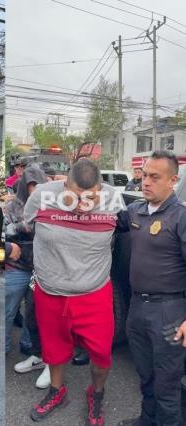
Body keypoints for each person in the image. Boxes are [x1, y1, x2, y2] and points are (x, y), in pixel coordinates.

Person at [23, 159, 123, 424]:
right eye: (74, 197)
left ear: (101, 188)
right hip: (50, 291)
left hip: (94, 293)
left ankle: (96, 394)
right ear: (63, 184)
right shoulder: (43, 196)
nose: (81, 206)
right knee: (54, 350)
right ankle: (57, 392)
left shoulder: (115, 201)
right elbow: (25, 227)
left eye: (89, 198)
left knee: (102, 355)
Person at [117, 151, 186, 426]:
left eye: (154, 177)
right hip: (137, 308)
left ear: (173, 181)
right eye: (144, 175)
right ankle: (147, 420)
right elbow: (108, 221)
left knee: (167, 387)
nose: (146, 182)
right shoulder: (136, 211)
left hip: (169, 313)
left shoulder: (180, 218)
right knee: (145, 376)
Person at [3, 165, 47, 354]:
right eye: (32, 185)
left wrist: (21, 227)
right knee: (8, 312)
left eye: (39, 184)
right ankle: (2, 346)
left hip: (41, 270)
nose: (35, 189)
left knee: (34, 313)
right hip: (16, 268)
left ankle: (29, 345)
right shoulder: (12, 206)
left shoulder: (51, 206)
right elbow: (2, 232)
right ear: (25, 186)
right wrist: (10, 245)